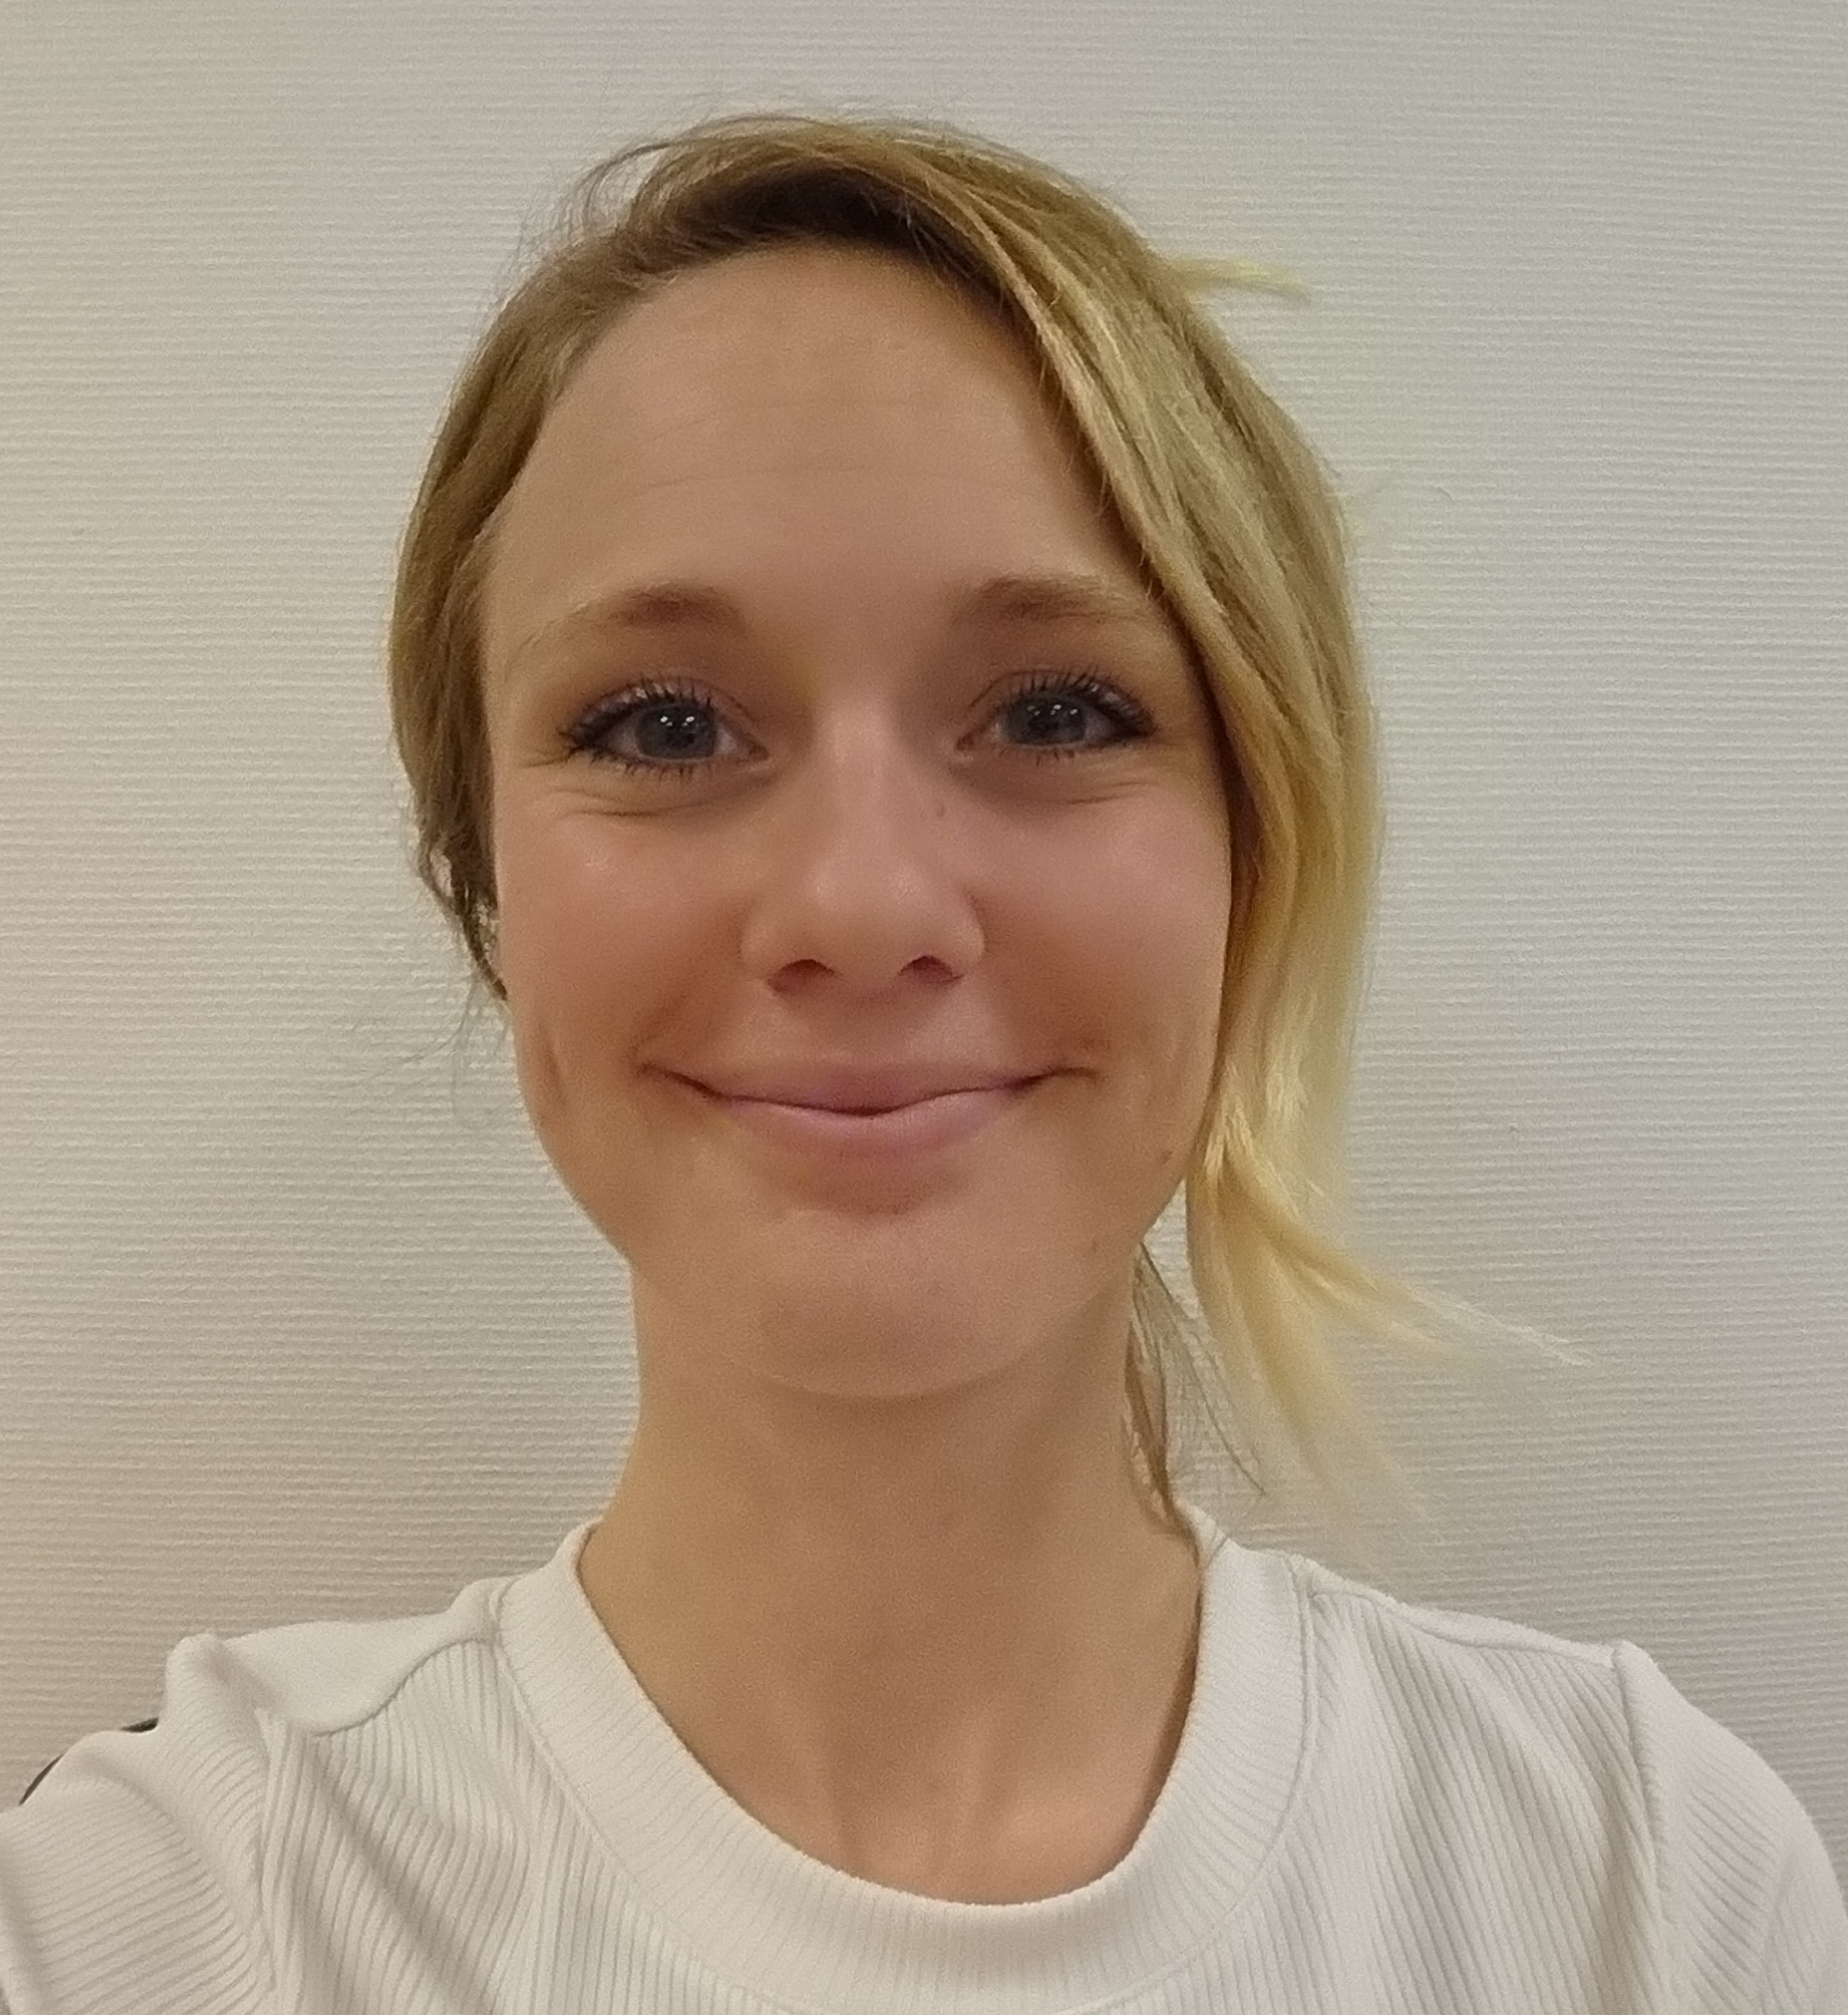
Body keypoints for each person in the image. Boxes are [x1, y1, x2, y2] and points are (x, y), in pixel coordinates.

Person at [2, 109, 1842, 2015]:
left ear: (1258, 855)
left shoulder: (1639, 1885)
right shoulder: (167, 1914)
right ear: (488, 891)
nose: (864, 902)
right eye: (661, 726)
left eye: (1057, 709)